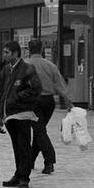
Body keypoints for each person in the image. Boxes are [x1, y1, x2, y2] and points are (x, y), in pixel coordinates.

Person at [0, 40, 40, 188]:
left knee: (23, 145)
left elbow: (35, 89)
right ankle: (18, 173)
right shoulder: (6, 70)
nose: (4, 55)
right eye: (4, 52)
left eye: (7, 52)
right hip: (9, 114)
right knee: (16, 145)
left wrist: (17, 97)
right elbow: (1, 92)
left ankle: (24, 177)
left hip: (22, 112)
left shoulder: (27, 69)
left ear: (15, 53)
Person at [26, 38, 71, 176]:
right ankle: (30, 160)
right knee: (39, 130)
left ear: (29, 49)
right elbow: (60, 84)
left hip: (33, 101)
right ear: (41, 50)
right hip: (49, 102)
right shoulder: (50, 65)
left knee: (39, 131)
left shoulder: (25, 65)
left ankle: (49, 160)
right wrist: (68, 101)